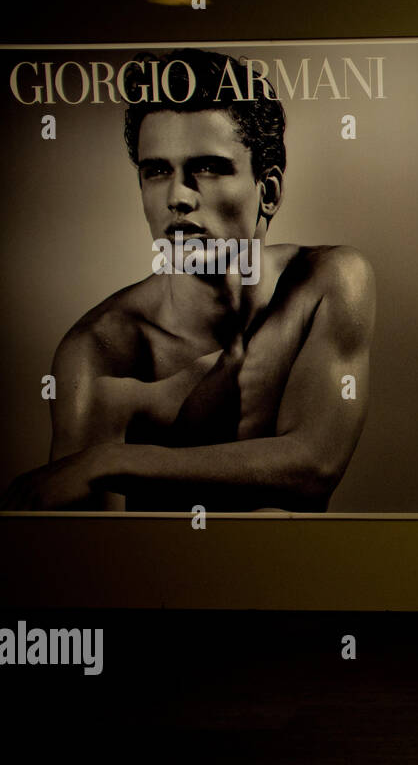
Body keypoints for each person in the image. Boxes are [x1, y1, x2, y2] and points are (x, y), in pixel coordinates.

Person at [1, 47, 375, 512]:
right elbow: (92, 559)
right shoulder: (103, 352)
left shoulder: (327, 281)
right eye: (156, 171)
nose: (177, 196)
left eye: (207, 167)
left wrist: (108, 462)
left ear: (270, 190)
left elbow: (314, 468)